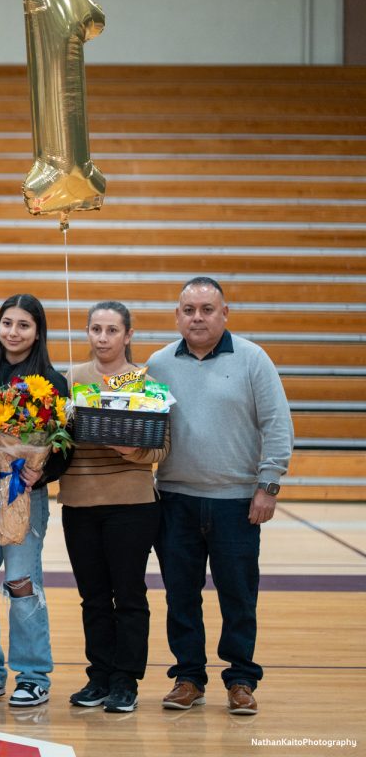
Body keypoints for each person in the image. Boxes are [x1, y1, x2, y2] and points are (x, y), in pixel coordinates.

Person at [146, 277, 293, 716]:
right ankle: (189, 677)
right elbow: (142, 430)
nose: (197, 317)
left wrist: (267, 486)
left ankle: (242, 679)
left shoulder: (253, 359)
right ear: (177, 316)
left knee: (238, 594)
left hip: (236, 503)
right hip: (174, 500)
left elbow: (277, 426)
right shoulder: (157, 364)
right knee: (181, 595)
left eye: (207, 309)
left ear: (224, 314)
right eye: (189, 309)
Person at [0, 294, 70, 708]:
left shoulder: (53, 383)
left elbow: (63, 447)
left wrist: (42, 470)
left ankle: (33, 674)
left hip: (24, 497)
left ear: (38, 331)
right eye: (7, 323)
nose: (13, 332)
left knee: (21, 584)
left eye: (24, 325)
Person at [59, 301, 167, 714]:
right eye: (96, 329)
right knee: (93, 598)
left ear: (128, 336)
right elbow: (57, 447)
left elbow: (162, 448)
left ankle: (126, 681)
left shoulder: (145, 383)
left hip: (133, 505)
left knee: (130, 595)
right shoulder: (70, 380)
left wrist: (131, 449)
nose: (102, 338)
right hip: (79, 503)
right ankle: (99, 676)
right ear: (87, 333)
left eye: (111, 330)